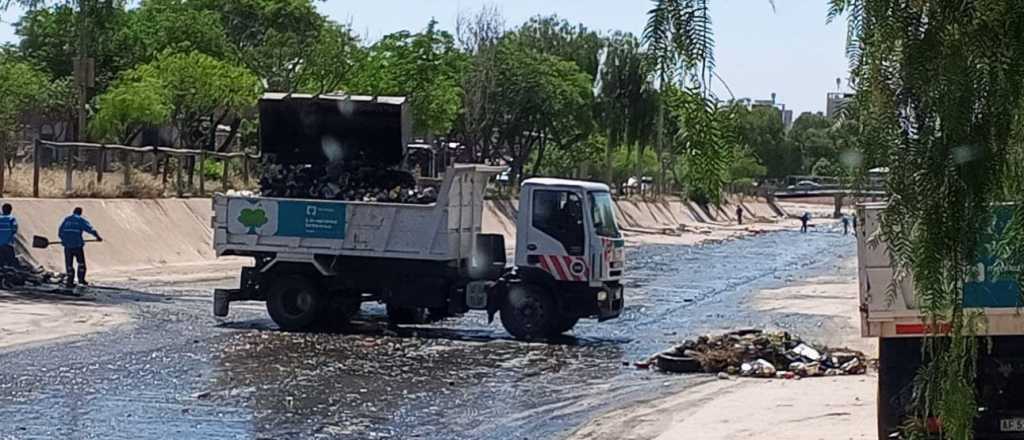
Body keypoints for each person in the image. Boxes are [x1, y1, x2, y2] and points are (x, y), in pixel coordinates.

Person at [59, 207, 101, 287]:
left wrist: (63, 240)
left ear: (73, 212)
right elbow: (90, 229)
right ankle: (81, 280)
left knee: (69, 264)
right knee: (81, 263)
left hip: (67, 246)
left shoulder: (66, 220)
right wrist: (97, 237)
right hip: (77, 245)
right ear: (80, 213)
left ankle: (70, 281)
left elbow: (60, 231)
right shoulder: (80, 220)